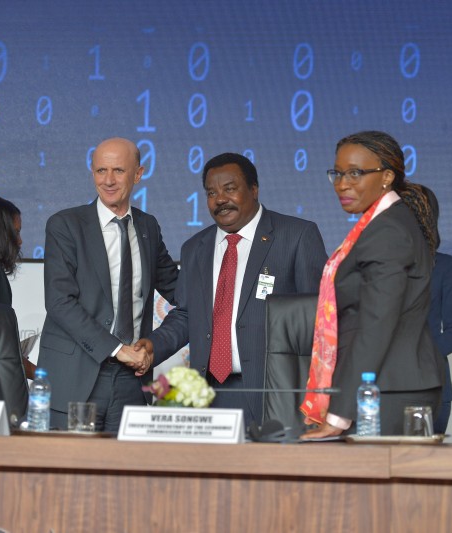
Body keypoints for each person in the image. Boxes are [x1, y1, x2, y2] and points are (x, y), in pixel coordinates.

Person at [136, 152, 327, 426]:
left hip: (276, 394)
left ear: (254, 189)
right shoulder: (194, 248)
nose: (220, 200)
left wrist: (317, 397)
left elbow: (318, 321)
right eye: (211, 193)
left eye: (230, 189)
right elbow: (187, 315)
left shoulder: (296, 236)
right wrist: (153, 345)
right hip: (210, 393)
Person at [300, 130, 444, 438]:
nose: (342, 184)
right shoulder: (382, 224)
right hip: (384, 384)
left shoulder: (387, 231)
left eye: (355, 173)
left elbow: (376, 323)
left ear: (387, 176)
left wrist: (338, 417)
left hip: (389, 389)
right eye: (337, 173)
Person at [37, 137, 178, 431]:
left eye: (118, 171)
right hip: (77, 376)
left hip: (132, 380)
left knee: (127, 474)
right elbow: (60, 301)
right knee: (69, 474)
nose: (109, 180)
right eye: (101, 171)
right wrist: (117, 348)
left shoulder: (148, 226)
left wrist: (154, 347)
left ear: (138, 174)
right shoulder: (65, 225)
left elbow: (180, 290)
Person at [422, 186, 452, 435]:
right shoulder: (382, 266)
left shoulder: (444, 266)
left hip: (433, 385)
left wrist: (416, 357)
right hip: (386, 388)